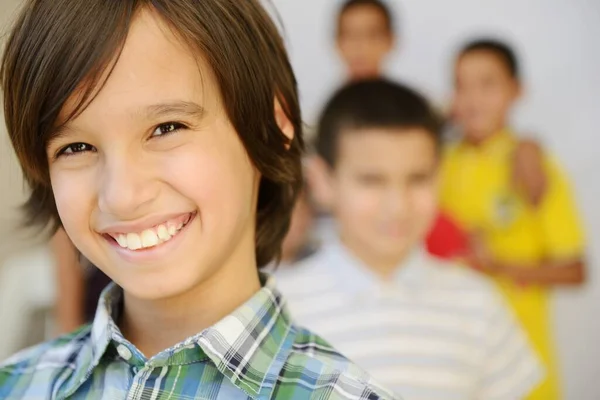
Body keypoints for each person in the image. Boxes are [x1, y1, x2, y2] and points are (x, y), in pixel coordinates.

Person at [0, 1, 396, 399]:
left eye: (166, 128)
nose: (121, 197)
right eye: (76, 147)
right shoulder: (16, 385)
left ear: (274, 123)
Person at [276, 78, 543, 399]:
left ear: (439, 175)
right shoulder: (274, 314)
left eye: (417, 179)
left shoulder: (479, 304)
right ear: (323, 181)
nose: (398, 205)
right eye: (372, 180)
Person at [440, 38, 587, 400]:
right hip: (453, 364)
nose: (473, 98)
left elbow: (575, 271)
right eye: (462, 85)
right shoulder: (439, 164)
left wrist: (498, 267)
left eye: (487, 84)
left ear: (516, 90)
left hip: (523, 372)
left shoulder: (535, 166)